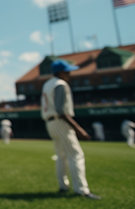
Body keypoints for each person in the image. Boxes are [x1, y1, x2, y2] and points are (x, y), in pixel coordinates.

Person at [41, 60, 100, 200]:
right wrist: (79, 129)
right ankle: (81, 190)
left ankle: (63, 186)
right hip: (60, 121)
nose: (69, 74)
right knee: (75, 155)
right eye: (67, 71)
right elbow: (61, 111)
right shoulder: (60, 84)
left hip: (50, 122)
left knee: (61, 155)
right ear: (60, 72)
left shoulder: (47, 83)